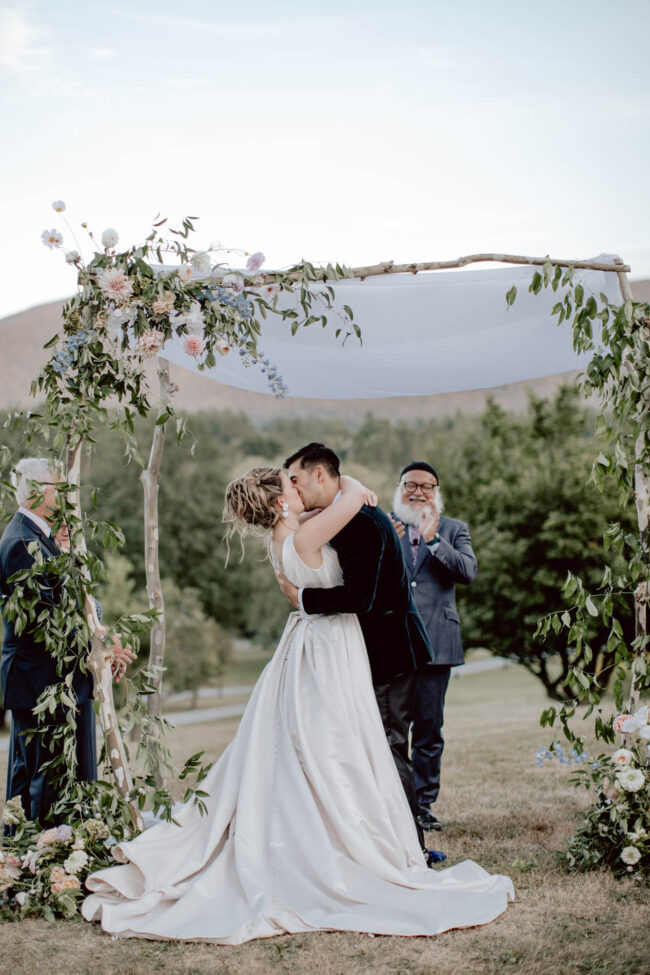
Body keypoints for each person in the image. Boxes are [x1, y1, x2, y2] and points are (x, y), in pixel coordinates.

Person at [81, 464, 513, 944]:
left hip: (319, 640)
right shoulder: (303, 535)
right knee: (328, 741)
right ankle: (337, 844)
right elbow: (349, 497)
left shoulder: (288, 533)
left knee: (320, 741)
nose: (299, 486)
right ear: (277, 501)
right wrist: (353, 485)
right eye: (290, 483)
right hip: (326, 645)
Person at [278, 443, 433, 851]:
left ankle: (409, 846)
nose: (295, 487)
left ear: (319, 475)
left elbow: (361, 598)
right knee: (374, 748)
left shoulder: (358, 522)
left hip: (390, 654)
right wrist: (351, 486)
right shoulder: (344, 514)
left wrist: (303, 600)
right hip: (371, 653)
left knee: (388, 748)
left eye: (296, 478)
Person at [0, 457, 135, 824]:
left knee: (54, 778)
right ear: (38, 492)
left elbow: (74, 605)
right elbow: (48, 623)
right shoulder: (20, 544)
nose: (66, 494)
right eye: (60, 487)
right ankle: (47, 858)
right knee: (46, 780)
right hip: (41, 682)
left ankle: (48, 854)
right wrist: (101, 652)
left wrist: (102, 646)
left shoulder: (41, 538)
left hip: (58, 678)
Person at [391, 461, 478, 832]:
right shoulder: (385, 526)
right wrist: (390, 544)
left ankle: (424, 805)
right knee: (392, 729)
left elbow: (468, 571)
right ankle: (395, 804)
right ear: (400, 488)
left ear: (436, 491)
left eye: (427, 486)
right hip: (393, 643)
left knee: (428, 729)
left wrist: (431, 539)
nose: (418, 492)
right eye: (411, 484)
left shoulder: (454, 529)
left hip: (437, 644)